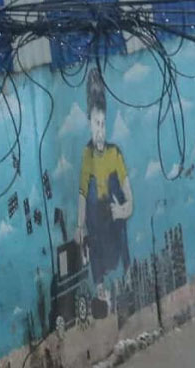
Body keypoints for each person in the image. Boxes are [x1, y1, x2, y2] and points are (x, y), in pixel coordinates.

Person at [76, 68, 133, 312]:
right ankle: (101, 288)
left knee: (110, 187)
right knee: (90, 194)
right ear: (89, 123)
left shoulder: (114, 154)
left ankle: (122, 279)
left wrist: (121, 211)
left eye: (102, 124)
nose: (99, 130)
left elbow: (130, 201)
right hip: (96, 228)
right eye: (95, 124)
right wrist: (79, 227)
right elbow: (81, 194)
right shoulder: (87, 155)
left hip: (113, 222)